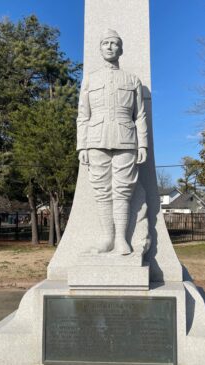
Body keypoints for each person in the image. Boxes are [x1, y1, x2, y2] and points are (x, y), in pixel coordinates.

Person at [77, 29, 148, 255]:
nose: (109, 46)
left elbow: (140, 116)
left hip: (126, 140)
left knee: (123, 191)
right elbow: (83, 115)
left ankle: (121, 240)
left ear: (121, 49)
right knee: (102, 191)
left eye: (114, 43)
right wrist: (82, 145)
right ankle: (107, 238)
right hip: (96, 140)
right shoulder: (90, 80)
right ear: (99, 48)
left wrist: (143, 144)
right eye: (105, 43)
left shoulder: (132, 80)